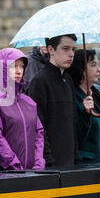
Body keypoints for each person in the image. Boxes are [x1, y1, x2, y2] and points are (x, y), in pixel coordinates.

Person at [0, 48, 45, 171]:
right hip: (6, 174)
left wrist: (38, 164)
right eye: (13, 66)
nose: (19, 71)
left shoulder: (29, 102)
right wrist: (15, 166)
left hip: (32, 174)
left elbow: (39, 133)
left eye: (21, 66)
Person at [26, 34, 78, 167]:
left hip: (71, 161)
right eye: (65, 49)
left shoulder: (68, 80)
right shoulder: (39, 82)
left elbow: (72, 124)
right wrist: (49, 161)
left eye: (73, 49)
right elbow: (38, 126)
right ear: (50, 49)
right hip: (52, 165)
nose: (71, 54)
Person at [66, 49, 100, 164]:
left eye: (98, 65)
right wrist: (85, 113)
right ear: (81, 68)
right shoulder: (73, 97)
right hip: (90, 166)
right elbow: (75, 137)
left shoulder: (98, 91)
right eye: (93, 65)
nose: (99, 69)